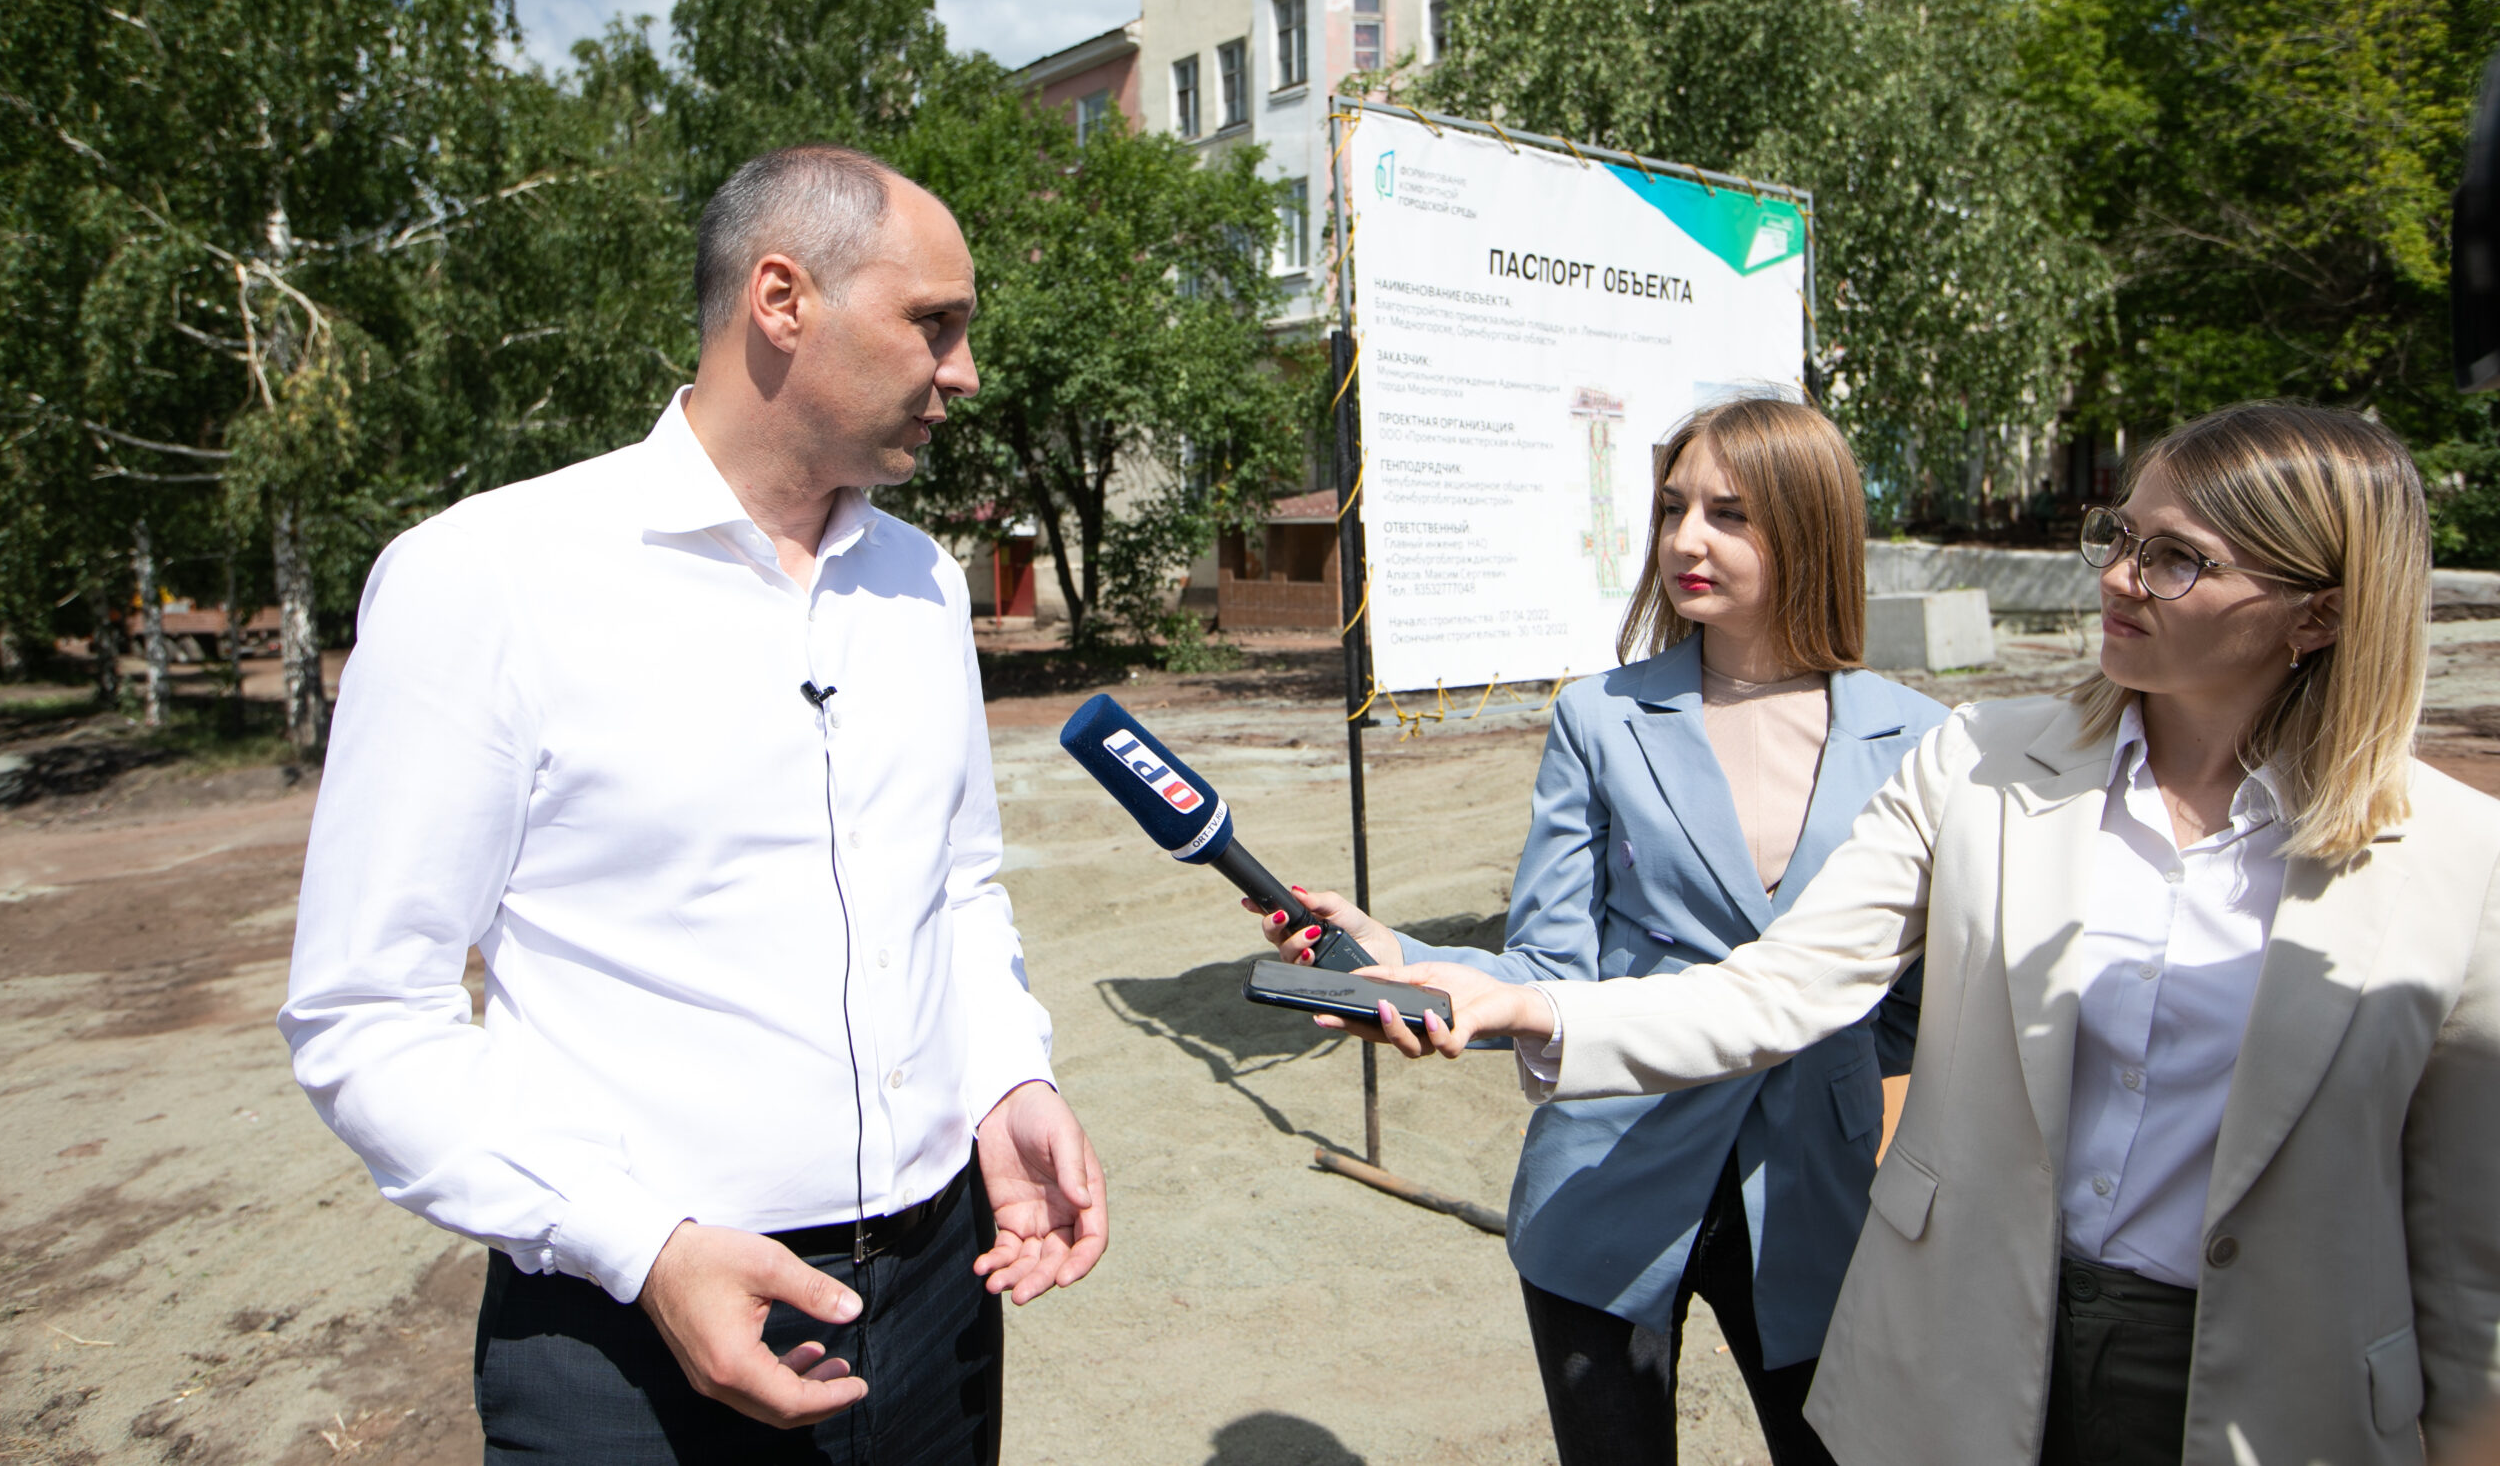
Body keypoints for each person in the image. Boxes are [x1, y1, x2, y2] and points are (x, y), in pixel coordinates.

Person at [1336, 402, 2500, 1466]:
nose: (2119, 580)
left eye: (2176, 558)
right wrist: (1520, 1001)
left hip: (2272, 1393)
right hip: (1985, 1333)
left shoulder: (2460, 858)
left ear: (2322, 610)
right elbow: (1784, 983)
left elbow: (2465, 1252)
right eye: (2118, 535)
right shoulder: (1983, 760)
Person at [279, 145, 1108, 1466]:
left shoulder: (922, 583)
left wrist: (1006, 1071)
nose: (962, 370)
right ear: (783, 301)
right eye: (932, 323)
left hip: (942, 1288)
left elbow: (953, 883)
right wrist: (642, 1244)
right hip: (629, 1331)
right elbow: (365, 1011)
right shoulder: (488, 579)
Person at [1256, 395, 1944, 1466]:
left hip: (1822, 1191)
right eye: (1672, 507)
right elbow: (1546, 963)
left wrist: (1845, 1074)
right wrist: (1409, 962)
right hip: (1607, 1174)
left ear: (1810, 525)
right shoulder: (1601, 717)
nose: (1683, 541)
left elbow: (1910, 996)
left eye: (1729, 513)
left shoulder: (1923, 740)